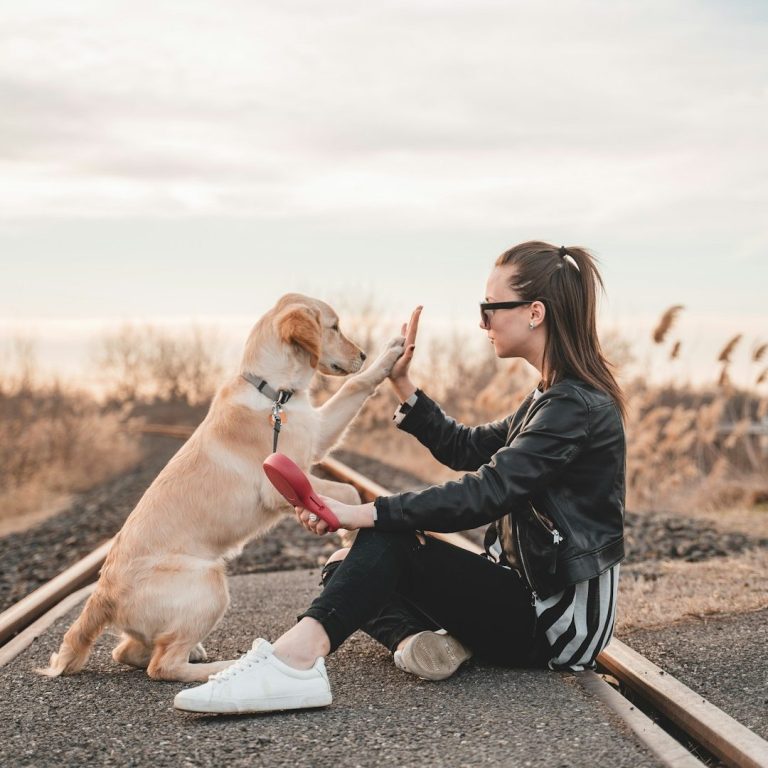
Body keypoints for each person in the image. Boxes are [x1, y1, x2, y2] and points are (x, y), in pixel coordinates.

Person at [173, 241, 627, 715]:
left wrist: (365, 512)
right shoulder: (550, 397)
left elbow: (487, 492)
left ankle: (293, 662)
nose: (482, 322)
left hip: (556, 623)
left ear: (535, 312)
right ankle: (422, 643)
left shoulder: (573, 406)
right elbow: (466, 447)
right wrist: (402, 384)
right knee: (344, 568)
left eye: (489, 308)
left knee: (384, 543)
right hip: (521, 593)